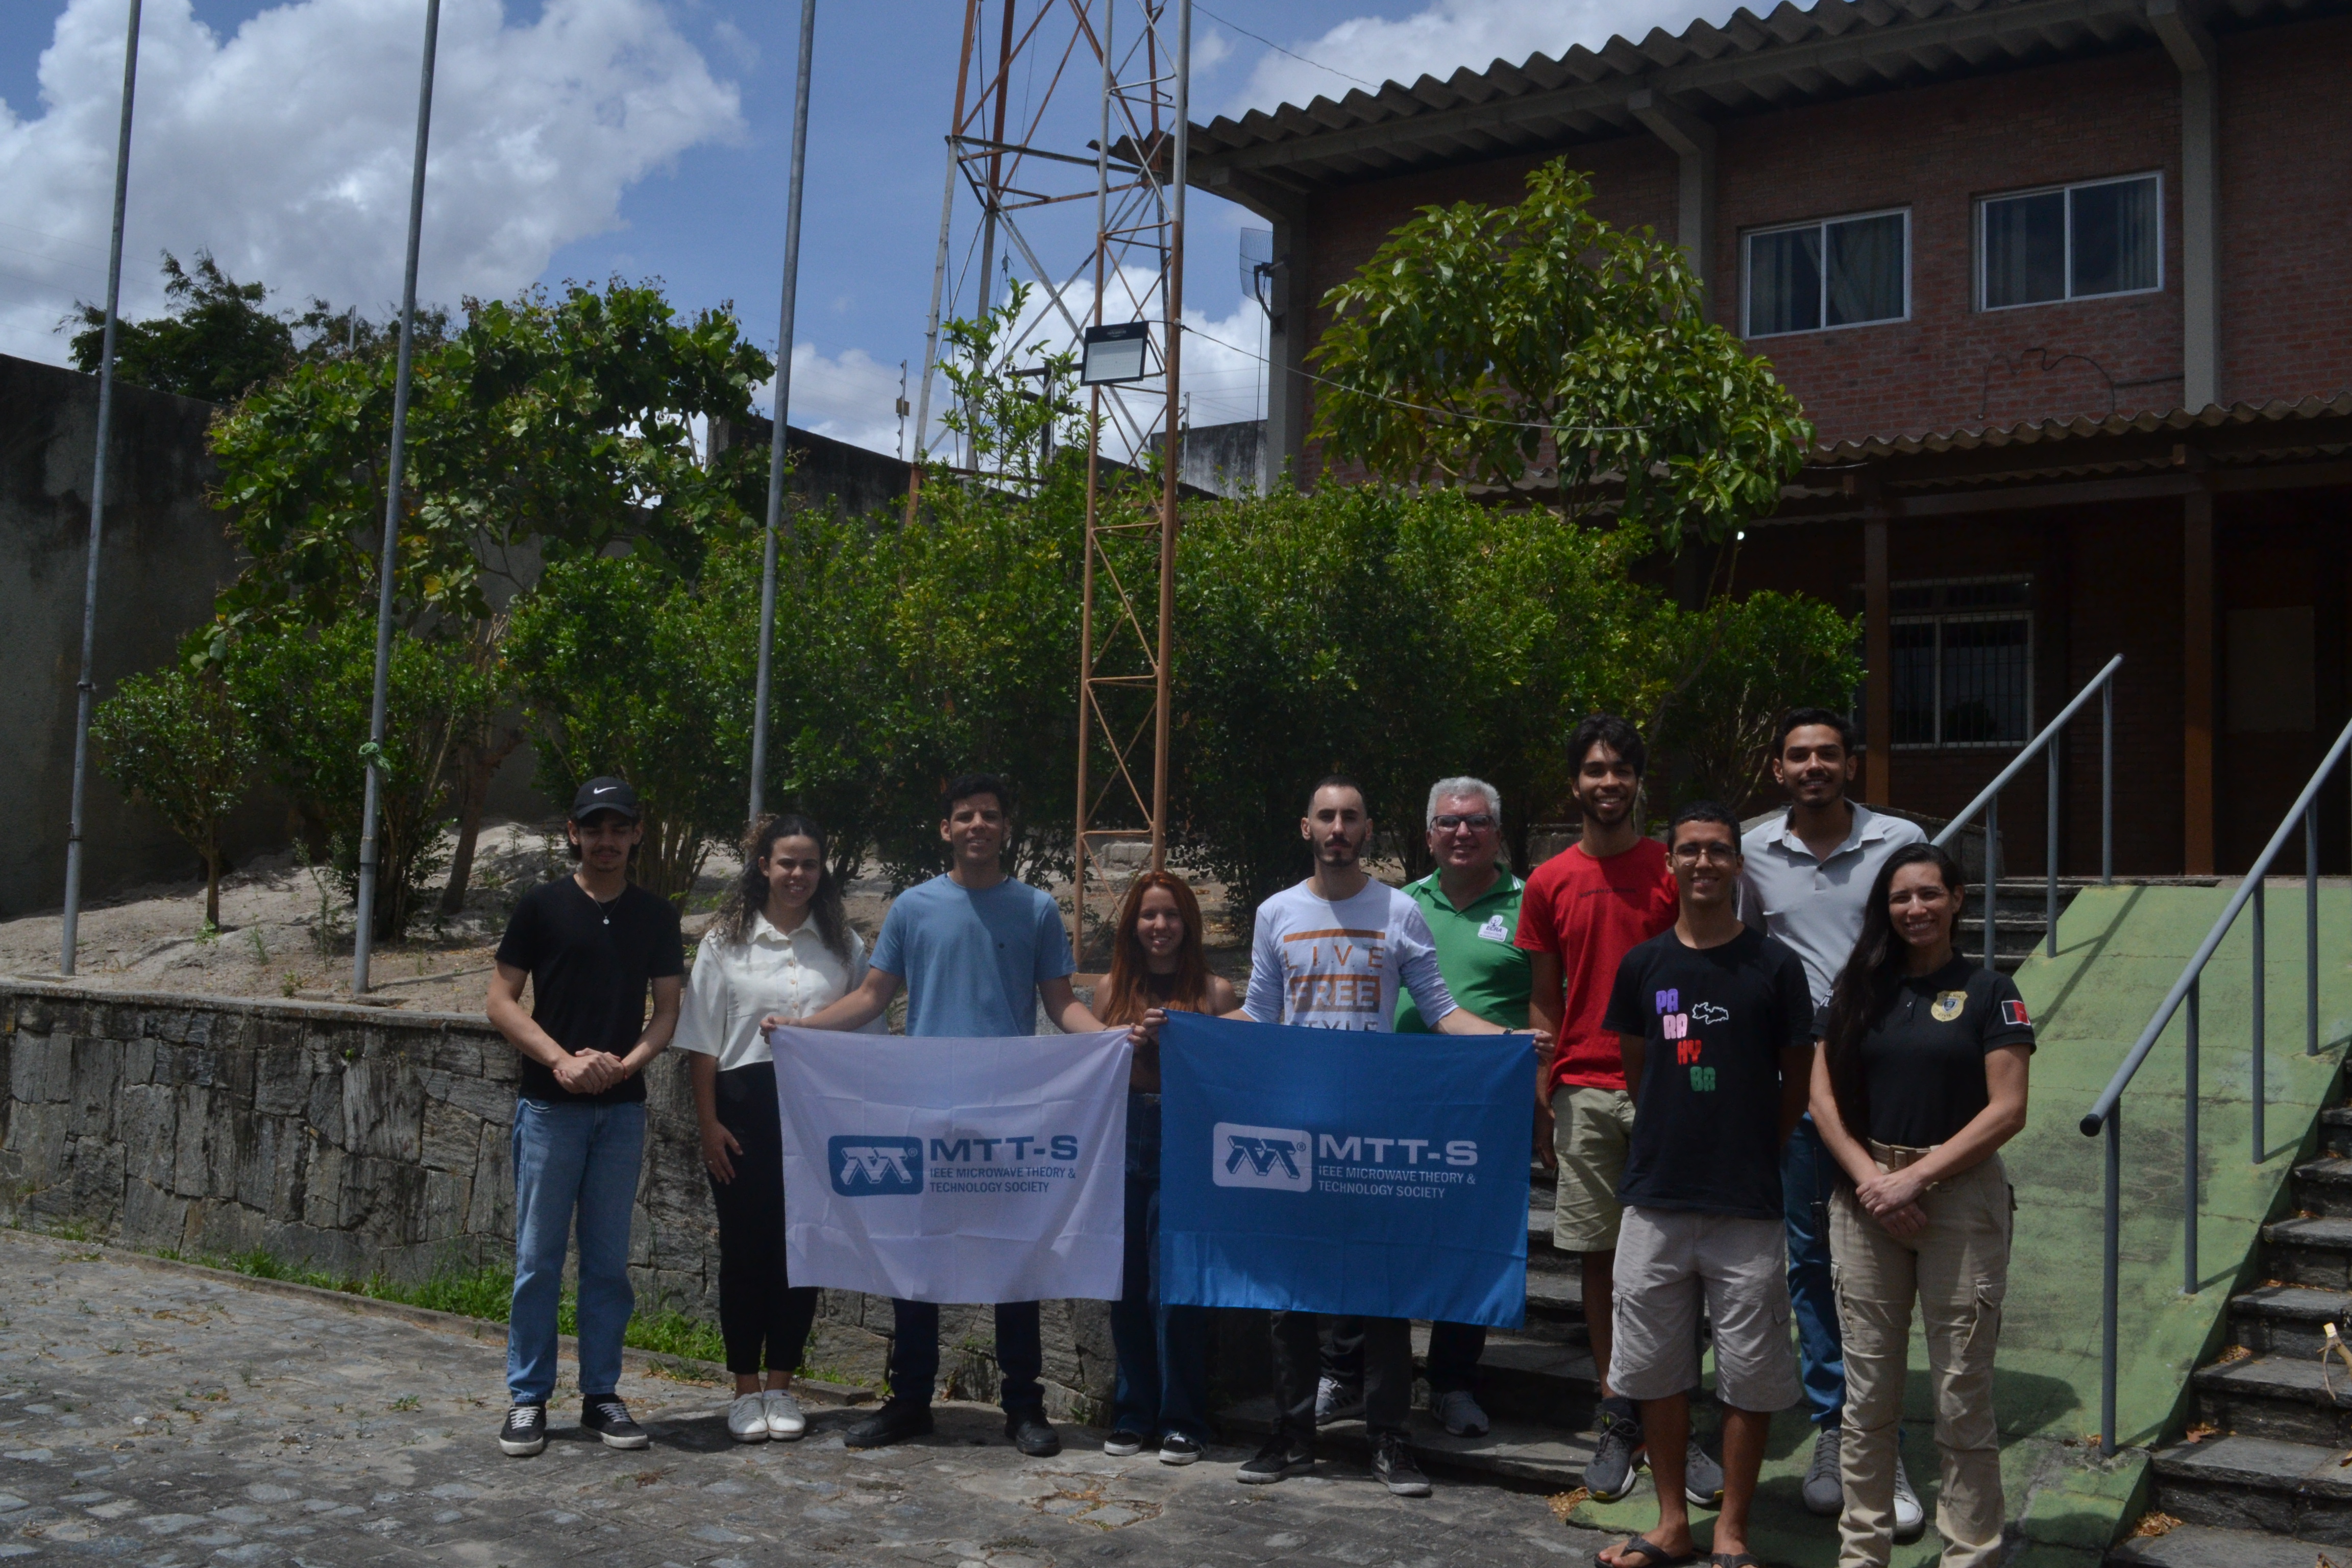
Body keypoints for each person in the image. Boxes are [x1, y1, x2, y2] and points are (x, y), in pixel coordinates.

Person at [771, 773, 1115, 1459]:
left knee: (1017, 1262)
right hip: (924, 1113)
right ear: (946, 829)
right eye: (965, 816)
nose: (977, 825)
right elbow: (873, 997)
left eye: (989, 815)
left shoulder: (1038, 909)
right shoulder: (914, 908)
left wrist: (1112, 1040)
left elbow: (1060, 1005)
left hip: (1010, 1119)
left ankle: (1024, 1406)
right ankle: (910, 1401)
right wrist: (802, 1030)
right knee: (915, 1259)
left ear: (1006, 827)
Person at [1228, 775, 1532, 1499]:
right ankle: (1292, 1434)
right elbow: (1259, 1013)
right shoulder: (1277, 912)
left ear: (1367, 831)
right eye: (1326, 816)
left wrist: (1509, 1041)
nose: (1338, 828)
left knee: (1384, 1293)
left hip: (1376, 1133)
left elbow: (1441, 1011)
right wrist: (1179, 1028)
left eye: (1351, 818)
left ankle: (1389, 1439)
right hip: (1297, 1132)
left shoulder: (1398, 911)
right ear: (1307, 827)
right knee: (1290, 1295)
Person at [1595, 801, 1812, 1568]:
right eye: (1688, 851)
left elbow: (1795, 1080)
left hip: (1746, 1204)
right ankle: (1670, 1523)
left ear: (1738, 864)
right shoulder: (1645, 966)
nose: (1703, 864)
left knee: (1749, 1377)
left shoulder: (1775, 967)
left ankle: (1731, 1533)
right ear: (1671, 864)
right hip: (1655, 1197)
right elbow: (1638, 1068)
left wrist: (1752, 1145)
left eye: (1718, 851)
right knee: (1654, 1369)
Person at [1811, 843, 2032, 1568]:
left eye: (1930, 895)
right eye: (1901, 898)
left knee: (1962, 1397)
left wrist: (1917, 1180)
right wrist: (1875, 1182)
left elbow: (2007, 1110)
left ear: (1957, 899)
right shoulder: (1858, 990)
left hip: (1960, 1202)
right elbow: (1822, 1099)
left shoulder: (1990, 989)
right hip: (1866, 1196)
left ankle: (1970, 1553)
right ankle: (1862, 1552)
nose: (1915, 909)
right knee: (1868, 1397)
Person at [1739, 707, 1928, 1527]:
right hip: (1795, 1076)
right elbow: (1744, 960)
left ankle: (1883, 1445)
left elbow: (1924, 942)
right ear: (1778, 768)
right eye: (1797, 756)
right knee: (1812, 1259)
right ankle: (1835, 1425)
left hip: (1887, 1072)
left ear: (1850, 764)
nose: (1812, 766)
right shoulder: (1748, 849)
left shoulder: (1899, 839)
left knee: (1891, 1258)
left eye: (1827, 754)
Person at [1513, 716, 1703, 1505]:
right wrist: (1545, 1098)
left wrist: (1690, 1079)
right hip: (1585, 1090)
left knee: (1680, 1263)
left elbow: (1693, 984)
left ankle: (1678, 1425)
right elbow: (1546, 1001)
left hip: (1667, 1087)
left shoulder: (1671, 870)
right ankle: (1618, 1413)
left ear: (1637, 781)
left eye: (1620, 769)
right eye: (1593, 770)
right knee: (1599, 1258)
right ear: (1575, 784)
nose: (1607, 782)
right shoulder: (1550, 881)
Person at [485, 777, 684, 1458]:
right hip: (549, 1109)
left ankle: (602, 1395)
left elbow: (666, 1014)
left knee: (607, 1265)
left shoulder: (656, 916)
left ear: (636, 834)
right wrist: (561, 1060)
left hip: (620, 1115)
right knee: (538, 1261)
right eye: (594, 828)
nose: (607, 841)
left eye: (619, 829)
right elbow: (502, 1001)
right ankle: (527, 1399)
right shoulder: (541, 907)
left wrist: (624, 1066)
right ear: (573, 832)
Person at [675, 813, 881, 1444]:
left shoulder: (844, 945)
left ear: (823, 873)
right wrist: (709, 1123)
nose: (798, 874)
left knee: (802, 1251)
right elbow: (703, 1044)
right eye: (786, 862)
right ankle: (744, 1392)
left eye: (810, 864)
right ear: (763, 866)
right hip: (744, 1110)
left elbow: (868, 1037)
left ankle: (783, 1386)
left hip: (817, 1116)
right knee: (745, 1252)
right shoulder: (724, 943)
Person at [1356, 774, 1533, 1440]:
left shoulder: (1529, 902)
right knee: (1383, 1243)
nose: (1463, 833)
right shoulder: (1398, 905)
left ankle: (1454, 1382)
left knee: (1471, 1243)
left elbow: (1550, 1000)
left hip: (1487, 1106)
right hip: (1397, 1100)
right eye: (1450, 823)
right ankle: (1361, 1380)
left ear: (1497, 833)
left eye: (1478, 822)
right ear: (1429, 834)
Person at [1089, 870, 1238, 1466]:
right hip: (1121, 1138)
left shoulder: (1216, 991)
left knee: (1177, 1288)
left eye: (1171, 915)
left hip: (1188, 1141)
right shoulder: (1107, 991)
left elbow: (1234, 1073)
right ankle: (1132, 1412)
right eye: (1149, 915)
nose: (1159, 926)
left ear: (1189, 925)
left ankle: (1184, 1419)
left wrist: (1191, 1038)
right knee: (1124, 1283)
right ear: (1132, 926)